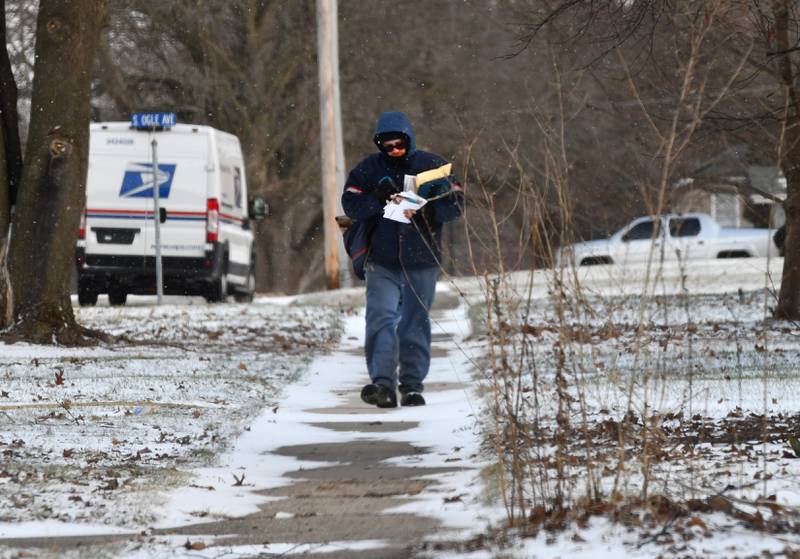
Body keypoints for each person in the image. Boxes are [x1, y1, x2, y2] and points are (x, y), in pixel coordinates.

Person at [341, 111, 464, 408]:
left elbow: (457, 204)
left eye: (400, 145)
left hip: (422, 258)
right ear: (379, 145)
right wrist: (377, 200)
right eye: (388, 146)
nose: (394, 150)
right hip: (381, 259)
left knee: (414, 321)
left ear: (410, 140)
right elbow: (350, 203)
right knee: (381, 318)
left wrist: (429, 209)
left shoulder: (432, 165)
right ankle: (382, 384)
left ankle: (411, 386)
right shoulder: (368, 169)